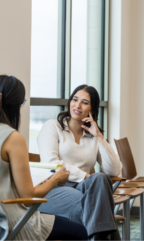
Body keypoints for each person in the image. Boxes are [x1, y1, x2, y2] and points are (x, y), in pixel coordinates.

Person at [0, 75, 88, 241]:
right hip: (11, 221)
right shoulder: (12, 137)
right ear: (17, 105)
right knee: (81, 232)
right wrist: (55, 180)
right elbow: (27, 195)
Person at [37, 84, 123, 240]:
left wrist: (99, 137)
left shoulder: (92, 136)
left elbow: (114, 170)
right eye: (75, 100)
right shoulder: (53, 127)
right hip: (53, 188)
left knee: (100, 178)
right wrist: (84, 176)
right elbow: (51, 162)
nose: (77, 105)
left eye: (84, 102)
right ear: (69, 102)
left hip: (82, 189)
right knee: (97, 207)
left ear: (93, 109)